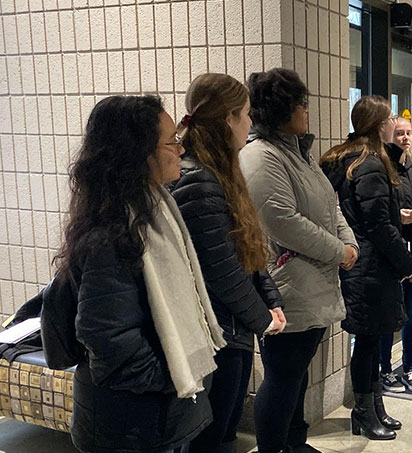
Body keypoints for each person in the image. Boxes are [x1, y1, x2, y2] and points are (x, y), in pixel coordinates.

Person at [57, 95, 227, 452]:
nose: (181, 149)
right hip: (130, 426)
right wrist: (171, 376)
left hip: (155, 418)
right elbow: (107, 340)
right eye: (172, 141)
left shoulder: (157, 210)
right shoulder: (113, 233)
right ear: (137, 154)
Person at [241, 68, 357, 453]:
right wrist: (339, 251)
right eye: (301, 104)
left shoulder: (298, 153)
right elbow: (282, 222)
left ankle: (295, 442)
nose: (307, 110)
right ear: (282, 109)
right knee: (281, 377)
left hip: (312, 284)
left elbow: (330, 204)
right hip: (287, 288)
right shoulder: (260, 156)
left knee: (295, 376)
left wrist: (349, 243)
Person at [170, 73, 286, 453]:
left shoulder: (220, 171)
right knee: (208, 439)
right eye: (246, 114)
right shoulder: (199, 180)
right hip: (215, 334)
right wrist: (264, 319)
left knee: (222, 433)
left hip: (230, 329)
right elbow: (220, 271)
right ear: (227, 120)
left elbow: (249, 250)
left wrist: (270, 298)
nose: (251, 122)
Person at [320, 96, 412, 441]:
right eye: (390, 118)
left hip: (361, 263)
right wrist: (406, 263)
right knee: (369, 341)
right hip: (371, 265)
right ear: (379, 126)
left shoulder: (343, 158)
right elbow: (377, 225)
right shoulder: (370, 163)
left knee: (372, 339)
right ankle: (363, 412)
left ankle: (374, 407)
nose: (394, 123)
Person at [377, 116, 412, 394]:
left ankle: (409, 367)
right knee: (390, 313)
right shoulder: (381, 171)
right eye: (399, 133)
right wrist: (399, 220)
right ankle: (385, 369)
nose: (405, 138)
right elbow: (377, 215)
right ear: (389, 136)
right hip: (392, 250)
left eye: (409, 133)